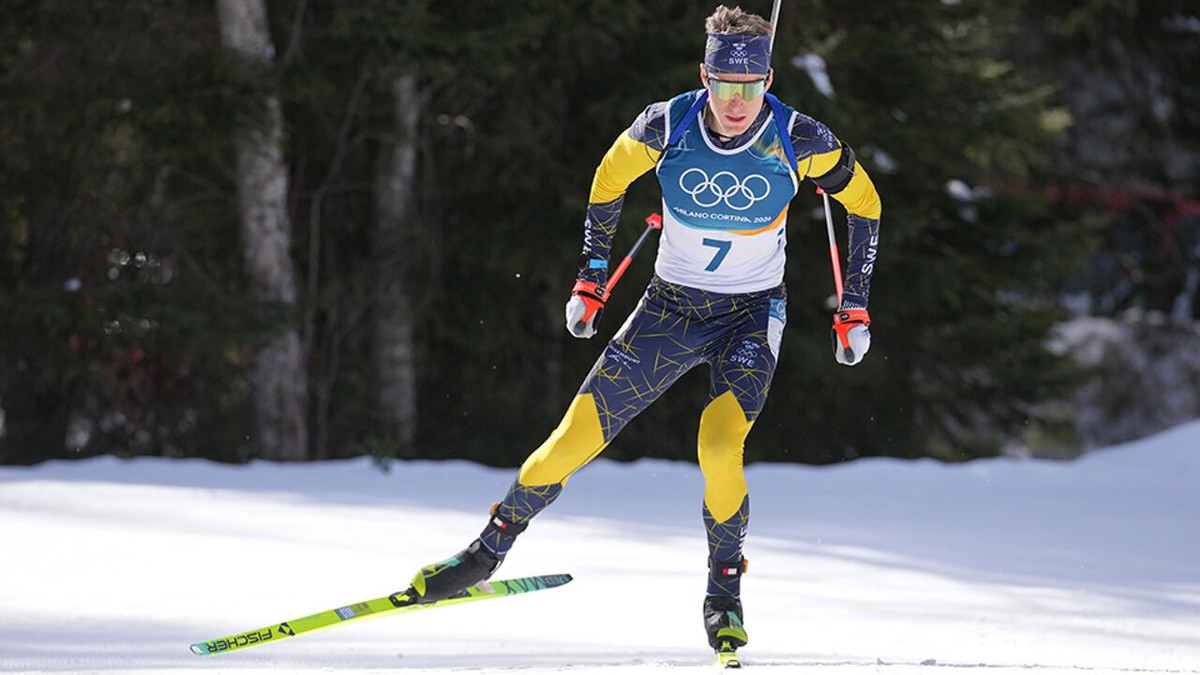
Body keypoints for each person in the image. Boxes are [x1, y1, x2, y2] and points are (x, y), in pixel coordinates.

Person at [404, 4, 881, 658]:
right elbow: (609, 176)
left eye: (749, 87)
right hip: (670, 308)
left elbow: (865, 204)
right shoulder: (668, 123)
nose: (735, 101)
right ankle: (485, 553)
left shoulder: (798, 138)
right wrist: (590, 278)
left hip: (749, 314)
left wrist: (854, 303)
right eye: (722, 84)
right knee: (569, 440)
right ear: (704, 76)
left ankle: (723, 589)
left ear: (767, 79)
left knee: (719, 449)